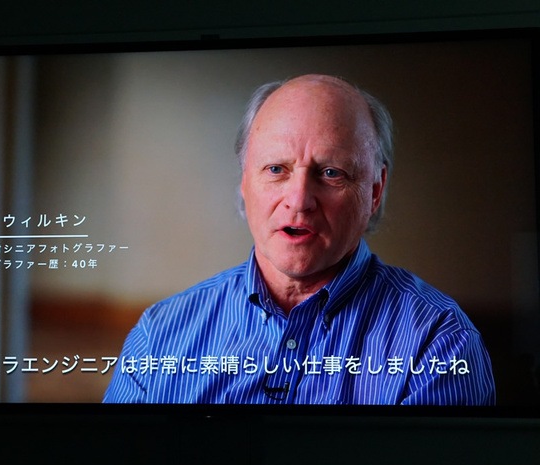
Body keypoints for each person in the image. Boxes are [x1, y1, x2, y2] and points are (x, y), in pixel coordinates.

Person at [103, 74, 495, 405]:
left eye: (331, 173)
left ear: (375, 191)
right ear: (244, 183)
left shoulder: (440, 343)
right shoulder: (159, 336)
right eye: (276, 169)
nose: (299, 200)